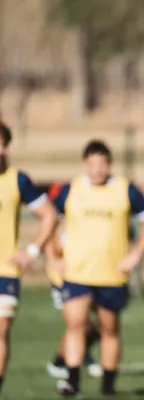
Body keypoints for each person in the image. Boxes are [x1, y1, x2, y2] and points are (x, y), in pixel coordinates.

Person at [48, 140, 144, 397]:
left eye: (102, 163)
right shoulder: (70, 190)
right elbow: (48, 222)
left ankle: (108, 386)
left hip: (112, 273)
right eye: (92, 164)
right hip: (77, 272)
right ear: (85, 164)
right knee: (76, 325)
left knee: (109, 329)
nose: (97, 169)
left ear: (109, 164)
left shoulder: (125, 189)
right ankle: (72, 381)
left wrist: (136, 254)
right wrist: (53, 255)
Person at [0, 121, 58, 393]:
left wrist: (31, 251)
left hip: (5, 272)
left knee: (0, 332)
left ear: (5, 147)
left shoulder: (17, 180)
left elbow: (49, 215)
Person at [44, 182, 103, 381]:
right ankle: (63, 363)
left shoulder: (85, 223)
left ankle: (69, 359)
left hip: (89, 277)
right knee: (79, 324)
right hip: (65, 280)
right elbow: (52, 247)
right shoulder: (63, 229)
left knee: (101, 325)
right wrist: (55, 261)